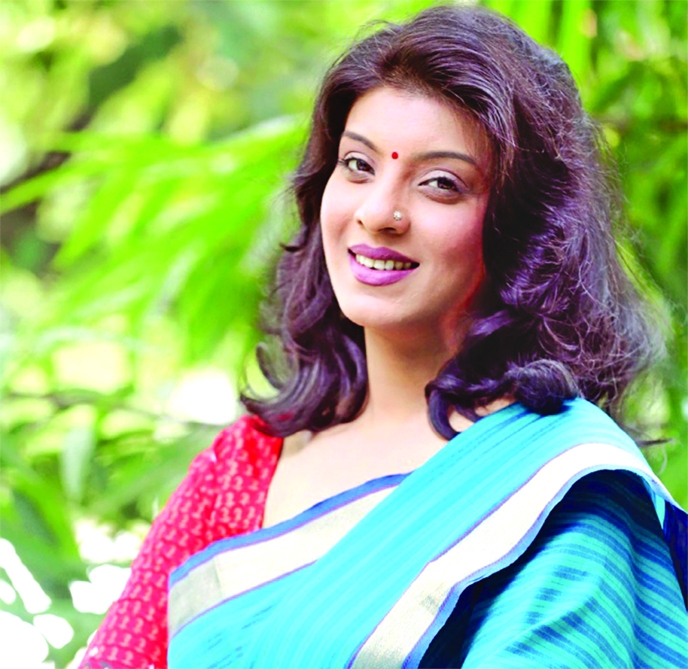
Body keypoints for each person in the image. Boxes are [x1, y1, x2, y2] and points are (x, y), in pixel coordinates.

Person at [81, 5, 687, 669]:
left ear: (523, 228)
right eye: (358, 165)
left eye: (440, 184)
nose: (378, 213)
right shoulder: (242, 470)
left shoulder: (560, 487)